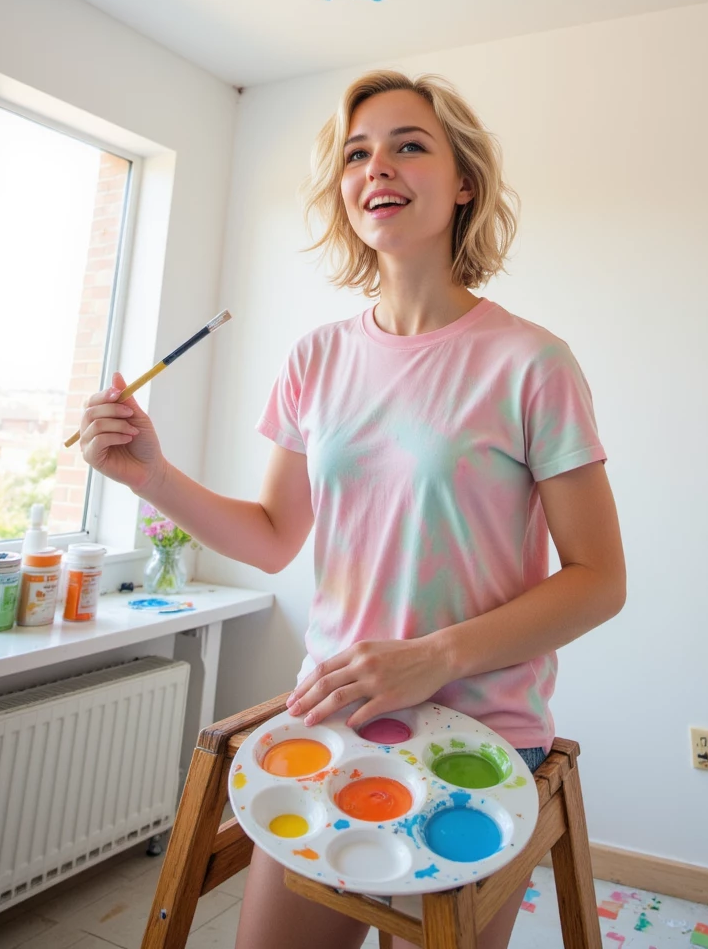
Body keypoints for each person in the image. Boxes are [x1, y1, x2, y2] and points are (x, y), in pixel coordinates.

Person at [79, 69, 626, 949]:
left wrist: (429, 659)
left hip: (479, 741)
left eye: (411, 145)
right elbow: (270, 539)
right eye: (358, 153)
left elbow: (600, 583)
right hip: (333, 719)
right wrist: (152, 475)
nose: (380, 167)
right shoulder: (316, 359)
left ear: (463, 184)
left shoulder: (534, 363)